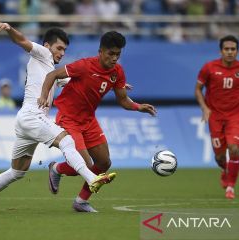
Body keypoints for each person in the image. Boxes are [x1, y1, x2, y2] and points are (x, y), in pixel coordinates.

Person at [0, 22, 116, 212]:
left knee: (17, 171)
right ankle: (92, 178)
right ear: (47, 46)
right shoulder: (42, 53)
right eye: (59, 48)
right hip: (32, 116)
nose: (62, 53)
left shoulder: (53, 71)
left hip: (25, 121)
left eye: (64, 49)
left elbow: (81, 80)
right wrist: (9, 29)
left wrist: (108, 81)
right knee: (67, 141)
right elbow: (21, 40)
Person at [38, 31, 157, 212]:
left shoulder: (117, 72)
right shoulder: (84, 66)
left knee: (104, 163)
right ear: (100, 51)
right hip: (69, 118)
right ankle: (57, 169)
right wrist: (44, 97)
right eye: (111, 53)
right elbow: (52, 75)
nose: (115, 58)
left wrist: (138, 107)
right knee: (85, 164)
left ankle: (81, 201)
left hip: (89, 120)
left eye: (118, 54)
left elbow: (123, 99)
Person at [195, 35, 239, 199]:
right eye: (226, 49)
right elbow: (198, 89)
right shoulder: (209, 67)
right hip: (215, 117)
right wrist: (204, 108)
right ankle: (224, 169)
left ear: (237, 51)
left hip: (235, 116)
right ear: (221, 51)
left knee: (234, 148)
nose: (230, 52)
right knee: (220, 157)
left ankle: (231, 187)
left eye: (233, 49)